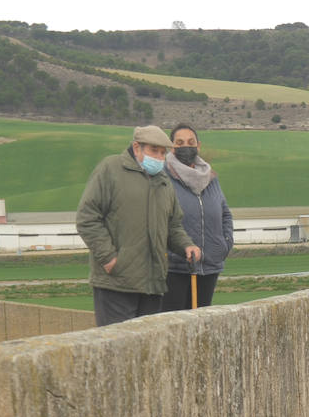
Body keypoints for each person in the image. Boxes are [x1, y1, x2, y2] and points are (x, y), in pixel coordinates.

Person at [76, 125, 201, 326]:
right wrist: (109, 258)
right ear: (136, 147)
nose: (159, 157)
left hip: (153, 285)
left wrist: (187, 245)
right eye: (154, 150)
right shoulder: (111, 169)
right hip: (117, 283)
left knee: (147, 352)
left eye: (163, 152)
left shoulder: (164, 182)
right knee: (117, 349)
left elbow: (173, 226)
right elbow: (87, 218)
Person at [161, 123, 235, 311]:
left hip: (209, 264)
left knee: (201, 322)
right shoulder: (163, 176)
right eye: (180, 142)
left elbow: (225, 212)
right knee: (174, 324)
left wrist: (225, 244)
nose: (186, 146)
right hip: (175, 266)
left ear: (198, 146)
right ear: (172, 147)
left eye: (190, 142)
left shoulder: (210, 177)